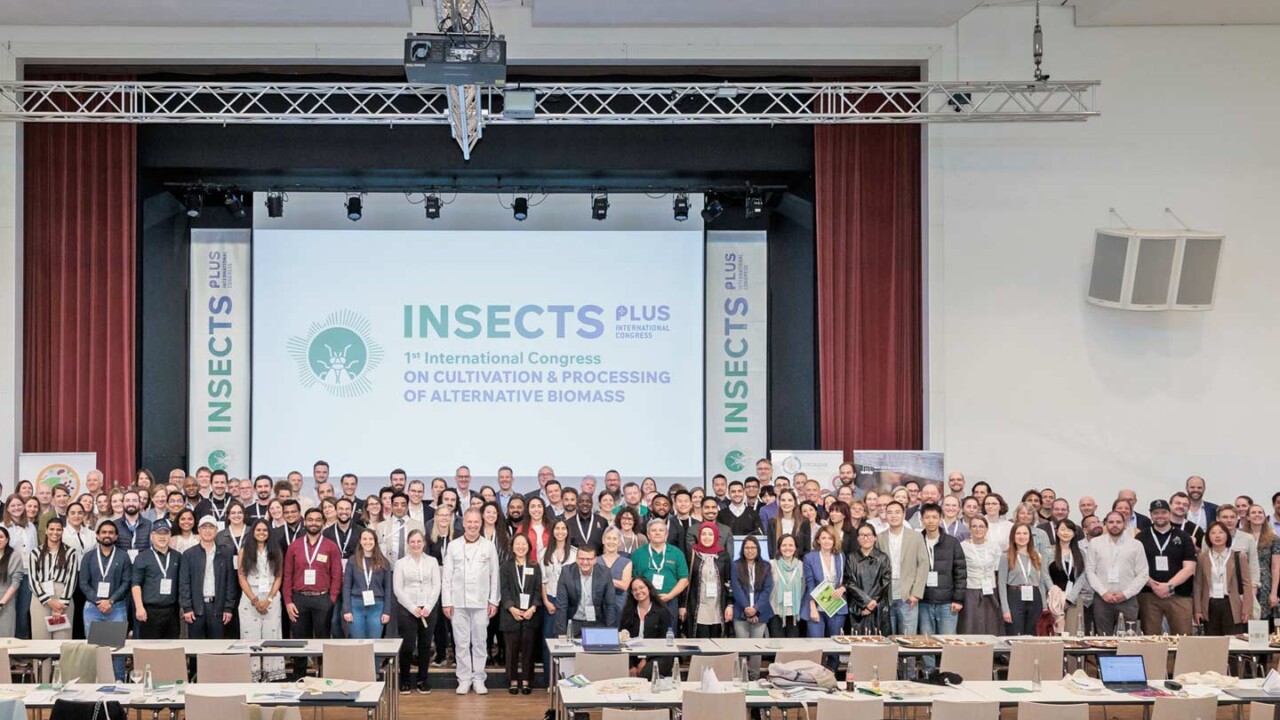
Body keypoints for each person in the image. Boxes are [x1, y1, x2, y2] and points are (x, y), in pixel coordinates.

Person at [443, 508, 501, 695]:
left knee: (480, 642)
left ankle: (478, 678)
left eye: (476, 522)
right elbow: (447, 577)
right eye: (470, 522)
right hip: (458, 602)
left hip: (481, 602)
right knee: (460, 642)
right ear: (463, 523)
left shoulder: (488, 546)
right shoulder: (453, 546)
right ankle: (464, 679)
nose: (473, 525)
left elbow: (495, 576)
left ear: (481, 523)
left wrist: (494, 601)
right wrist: (446, 602)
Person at [282, 508, 342, 676]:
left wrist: (331, 599)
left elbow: (337, 575)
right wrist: (288, 601)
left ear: (322, 523)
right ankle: (299, 678)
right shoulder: (294, 546)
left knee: (323, 641)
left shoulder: (331, 547)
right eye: (310, 519)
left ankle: (324, 676)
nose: (313, 523)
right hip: (299, 600)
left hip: (322, 599)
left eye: (317, 520)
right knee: (300, 643)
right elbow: (287, 575)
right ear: (304, 522)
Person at [1136, 499, 1197, 636]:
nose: (1160, 516)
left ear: (1169, 513)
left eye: (1163, 512)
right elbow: (1137, 567)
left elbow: (1189, 567)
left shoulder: (1184, 537)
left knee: (1183, 638)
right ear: (1151, 515)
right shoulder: (1141, 537)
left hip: (1179, 594)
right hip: (1149, 595)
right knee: (1150, 639)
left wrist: (1169, 586)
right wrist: (1154, 586)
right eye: (1156, 513)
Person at [80, 520, 130, 679]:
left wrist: (111, 601)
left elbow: (126, 582)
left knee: (118, 647)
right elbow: (83, 583)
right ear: (97, 535)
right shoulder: (88, 556)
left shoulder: (123, 556)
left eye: (110, 532)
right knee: (93, 648)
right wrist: (98, 601)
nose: (107, 535)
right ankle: (95, 679)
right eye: (103, 532)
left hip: (117, 608)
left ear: (116, 537)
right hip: (92, 609)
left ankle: (119, 679)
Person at [1085, 511, 1149, 635]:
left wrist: (1125, 594)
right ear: (1105, 524)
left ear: (1124, 524)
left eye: (1118, 522)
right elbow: (1089, 570)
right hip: (1102, 599)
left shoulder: (1136, 545)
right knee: (1102, 640)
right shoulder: (1095, 543)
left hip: (1128, 600)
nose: (1115, 525)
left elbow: (1143, 573)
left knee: (1127, 642)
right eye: (1111, 522)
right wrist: (1103, 593)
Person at [236, 519, 285, 681]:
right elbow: (241, 576)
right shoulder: (244, 550)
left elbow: (279, 576)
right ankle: (253, 677)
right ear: (253, 532)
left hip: (271, 596)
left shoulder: (276, 550)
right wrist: (255, 600)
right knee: (251, 637)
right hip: (250, 597)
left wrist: (269, 599)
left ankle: (272, 676)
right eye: (258, 530)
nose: (262, 533)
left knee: (271, 637)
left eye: (265, 530)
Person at [394, 528, 440, 694]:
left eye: (419, 541)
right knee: (407, 646)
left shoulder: (432, 561)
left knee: (425, 646)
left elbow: (436, 587)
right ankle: (405, 679)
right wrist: (413, 608)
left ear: (424, 544)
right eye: (412, 542)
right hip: (408, 609)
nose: (416, 544)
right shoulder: (400, 563)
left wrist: (427, 607)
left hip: (428, 609)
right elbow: (398, 589)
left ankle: (422, 679)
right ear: (408, 544)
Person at [917, 503, 966, 656]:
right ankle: (928, 674)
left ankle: (949, 672)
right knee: (926, 642)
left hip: (947, 602)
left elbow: (961, 572)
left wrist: (958, 599)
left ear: (940, 519)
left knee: (948, 642)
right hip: (924, 600)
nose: (930, 521)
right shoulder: (917, 540)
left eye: (934, 517)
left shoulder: (952, 542)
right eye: (927, 517)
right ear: (921, 520)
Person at [179, 515, 237, 639]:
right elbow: (184, 583)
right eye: (204, 527)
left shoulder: (225, 553)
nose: (207, 530)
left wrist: (228, 607)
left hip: (218, 607)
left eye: (211, 527)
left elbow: (230, 583)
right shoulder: (189, 554)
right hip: (196, 608)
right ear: (198, 531)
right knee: (196, 648)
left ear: (216, 531)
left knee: (216, 648)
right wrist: (187, 607)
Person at [876, 501, 928, 637]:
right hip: (887, 591)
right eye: (890, 512)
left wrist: (916, 593)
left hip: (908, 591)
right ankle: (890, 659)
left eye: (897, 512)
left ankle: (908, 660)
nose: (893, 516)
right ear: (885, 515)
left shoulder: (916, 536)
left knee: (908, 635)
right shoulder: (880, 538)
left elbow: (923, 565)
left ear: (904, 514)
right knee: (889, 635)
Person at [1194, 521, 1253, 636]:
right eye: (1213, 533)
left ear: (1227, 535)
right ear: (1208, 537)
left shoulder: (1238, 556)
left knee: (1233, 642)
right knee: (1213, 643)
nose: (1217, 536)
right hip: (1210, 604)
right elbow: (1198, 585)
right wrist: (1197, 610)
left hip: (1231, 604)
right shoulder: (1202, 557)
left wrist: (1246, 609)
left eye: (1221, 532)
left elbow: (1247, 583)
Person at [630, 520, 689, 634]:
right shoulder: (638, 554)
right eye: (653, 530)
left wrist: (669, 596)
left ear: (666, 534)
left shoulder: (677, 553)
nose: (657, 533)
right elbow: (634, 579)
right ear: (648, 534)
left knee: (669, 635)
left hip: (669, 601)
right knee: (645, 634)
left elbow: (684, 580)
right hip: (645, 602)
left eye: (661, 530)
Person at [499, 533, 540, 694]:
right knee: (511, 650)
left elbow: (538, 590)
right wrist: (511, 608)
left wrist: (533, 608)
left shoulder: (534, 566)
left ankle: (526, 680)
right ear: (512, 547)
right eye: (517, 544)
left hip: (530, 614)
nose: (521, 547)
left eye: (524, 544)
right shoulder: (506, 566)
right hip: (511, 614)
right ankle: (513, 680)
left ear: (529, 547)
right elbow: (504, 589)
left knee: (528, 650)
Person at [29, 517, 78, 640]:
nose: (54, 532)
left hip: (63, 597)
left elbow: (72, 579)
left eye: (58, 530)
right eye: (51, 529)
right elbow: (33, 581)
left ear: (62, 531)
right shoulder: (35, 553)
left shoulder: (70, 552)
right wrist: (48, 601)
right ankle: (42, 661)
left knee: (62, 639)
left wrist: (61, 605)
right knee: (40, 638)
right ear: (46, 530)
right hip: (41, 598)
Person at [130, 520, 181, 639]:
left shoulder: (178, 557)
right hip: (149, 611)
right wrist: (139, 607)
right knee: (149, 650)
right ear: (152, 536)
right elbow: (136, 584)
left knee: (171, 651)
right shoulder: (142, 557)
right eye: (159, 534)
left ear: (170, 536)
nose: (162, 537)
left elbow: (181, 584)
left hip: (171, 611)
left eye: (165, 533)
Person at [998, 524, 1052, 636]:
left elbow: (1041, 582)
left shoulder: (1037, 556)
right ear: (1013, 536)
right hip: (1015, 595)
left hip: (1034, 596)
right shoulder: (1006, 556)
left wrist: (1044, 606)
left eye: (1025, 533)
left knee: (1032, 633)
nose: (1022, 536)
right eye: (1018, 533)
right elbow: (1001, 584)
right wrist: (1005, 609)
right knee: (1015, 633)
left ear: (1030, 537)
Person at [554, 544, 617, 636]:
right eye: (581, 558)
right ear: (576, 558)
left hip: (596, 622)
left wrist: (610, 632)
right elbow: (561, 606)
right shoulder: (566, 572)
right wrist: (561, 634)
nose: (585, 562)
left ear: (595, 560)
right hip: (573, 621)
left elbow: (610, 604)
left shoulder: (605, 573)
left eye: (589, 559)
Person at [683, 521, 732, 638]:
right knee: (700, 641)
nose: (707, 537)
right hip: (698, 607)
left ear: (715, 536)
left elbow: (729, 580)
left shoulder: (723, 556)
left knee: (716, 643)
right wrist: (682, 605)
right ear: (699, 536)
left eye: (710, 534)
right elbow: (686, 582)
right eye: (704, 534)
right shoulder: (692, 555)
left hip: (718, 606)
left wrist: (730, 605)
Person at [618, 577, 674, 677]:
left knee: (645, 673)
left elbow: (663, 641)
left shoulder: (662, 611)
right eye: (634, 590)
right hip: (634, 656)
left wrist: (646, 659)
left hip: (658, 655)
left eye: (641, 587)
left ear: (649, 588)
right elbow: (623, 640)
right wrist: (631, 666)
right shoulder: (628, 613)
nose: (638, 591)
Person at [343, 527, 391, 639]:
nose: (368, 542)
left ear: (375, 541)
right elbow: (346, 586)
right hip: (356, 605)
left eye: (371, 539)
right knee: (358, 644)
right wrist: (347, 609)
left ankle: (375, 658)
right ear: (360, 541)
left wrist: (387, 611)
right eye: (364, 539)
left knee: (374, 644)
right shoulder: (352, 561)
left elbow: (388, 588)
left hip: (377, 606)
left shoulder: (384, 562)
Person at [845, 522, 891, 635]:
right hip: (858, 608)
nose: (865, 538)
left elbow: (885, 582)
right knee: (858, 646)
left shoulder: (883, 557)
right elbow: (849, 582)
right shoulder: (851, 558)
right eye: (862, 535)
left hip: (878, 607)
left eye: (869, 535)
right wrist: (866, 602)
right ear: (858, 538)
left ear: (875, 537)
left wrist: (872, 603)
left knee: (879, 644)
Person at [958, 516, 1002, 634]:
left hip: (990, 590)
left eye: (981, 526)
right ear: (970, 528)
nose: (978, 529)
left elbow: (998, 569)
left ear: (986, 529)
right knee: (970, 624)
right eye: (974, 526)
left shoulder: (994, 546)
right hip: (971, 589)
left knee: (990, 624)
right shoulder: (963, 546)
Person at [803, 526, 847, 638]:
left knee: (834, 647)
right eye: (823, 538)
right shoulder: (809, 558)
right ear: (818, 540)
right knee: (816, 645)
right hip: (816, 606)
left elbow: (847, 579)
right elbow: (810, 583)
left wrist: (843, 588)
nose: (827, 541)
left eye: (830, 538)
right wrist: (812, 606)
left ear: (834, 540)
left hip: (835, 606)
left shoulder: (841, 556)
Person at [1047, 519, 1089, 635]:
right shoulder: (1049, 551)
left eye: (1069, 530)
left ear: (1074, 533)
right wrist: (1054, 593)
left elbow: (1081, 577)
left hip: (1073, 599)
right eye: (1063, 529)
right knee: (1054, 634)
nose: (1066, 533)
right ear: (1057, 532)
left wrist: (1070, 599)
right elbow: (1045, 575)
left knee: (1073, 634)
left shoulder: (1080, 553)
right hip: (1052, 599)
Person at [1243, 504, 1280, 621]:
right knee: (1245, 617)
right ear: (1247, 517)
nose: (1257, 515)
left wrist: (1274, 593)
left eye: (1260, 512)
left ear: (1264, 516)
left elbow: (1276, 567)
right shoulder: (1240, 537)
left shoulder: (1273, 539)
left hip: (1265, 584)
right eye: (1253, 513)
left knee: (1263, 620)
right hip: (1244, 582)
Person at [768, 534, 805, 638]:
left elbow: (803, 588)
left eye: (790, 545)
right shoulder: (771, 565)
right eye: (784, 545)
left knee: (792, 648)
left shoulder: (801, 565)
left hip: (795, 612)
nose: (787, 548)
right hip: (775, 611)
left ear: (795, 547)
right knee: (777, 645)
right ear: (779, 547)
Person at [597, 527, 632, 612]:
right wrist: (615, 582)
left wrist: (603, 580)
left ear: (619, 542)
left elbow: (624, 585)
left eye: (615, 539)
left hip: (619, 605)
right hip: (598, 604)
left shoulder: (627, 562)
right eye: (608, 538)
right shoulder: (595, 561)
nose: (611, 542)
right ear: (603, 540)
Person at [0, 527, 25, 637]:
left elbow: (15, 582)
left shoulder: (14, 556)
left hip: (6, 602)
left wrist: (1, 603)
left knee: (5, 639)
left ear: (7, 539)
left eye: (1, 537)